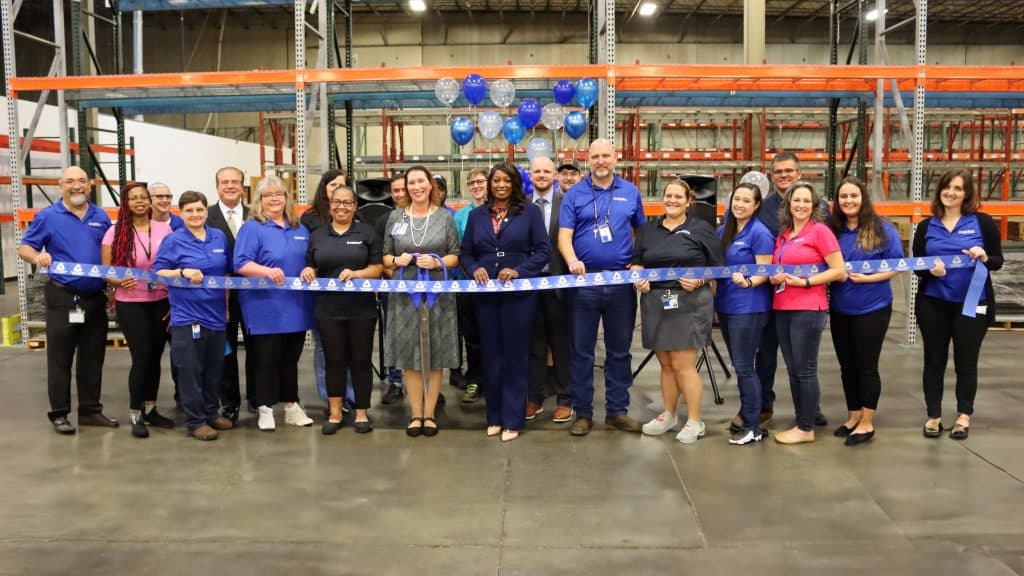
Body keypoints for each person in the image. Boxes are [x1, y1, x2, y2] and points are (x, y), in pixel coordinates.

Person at [18, 166, 117, 435]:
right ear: (60, 185)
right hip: (63, 297)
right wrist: (37, 257)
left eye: (82, 181)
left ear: (90, 185)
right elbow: (25, 247)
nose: (77, 186)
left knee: (93, 357)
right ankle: (60, 414)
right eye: (70, 181)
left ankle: (90, 411)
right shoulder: (48, 216)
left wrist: (113, 288)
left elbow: (110, 253)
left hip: (94, 297)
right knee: (60, 359)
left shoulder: (101, 216)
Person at [558, 139, 647, 436]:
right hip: (584, 284)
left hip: (620, 285)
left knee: (619, 350)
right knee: (582, 350)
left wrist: (636, 262)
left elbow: (641, 233)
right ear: (588, 160)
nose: (600, 161)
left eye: (605, 155)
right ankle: (583, 413)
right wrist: (571, 260)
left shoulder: (630, 192)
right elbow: (564, 236)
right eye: (594, 156)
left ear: (615, 158)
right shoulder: (575, 194)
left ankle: (617, 410)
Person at [461, 163, 550, 442]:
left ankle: (513, 419)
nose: (500, 185)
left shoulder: (530, 213)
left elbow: (543, 250)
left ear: (515, 184)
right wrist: (473, 267)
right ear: (489, 184)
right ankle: (495, 417)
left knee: (514, 356)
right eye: (495, 180)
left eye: (506, 180)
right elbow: (465, 252)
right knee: (491, 356)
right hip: (486, 296)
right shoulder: (477, 215)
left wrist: (519, 270)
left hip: (518, 296)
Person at [913, 170, 1003, 441]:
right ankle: (934, 415)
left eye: (957, 188)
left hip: (973, 304)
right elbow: (918, 265)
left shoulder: (982, 223)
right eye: (946, 187)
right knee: (934, 360)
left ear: (966, 194)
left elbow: (997, 261)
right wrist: (931, 271)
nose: (950, 192)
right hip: (934, 303)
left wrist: (984, 256)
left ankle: (964, 415)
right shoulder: (927, 227)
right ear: (939, 190)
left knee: (966, 362)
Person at [632, 180, 723, 444]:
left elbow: (718, 268)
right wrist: (638, 277)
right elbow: (637, 262)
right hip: (655, 302)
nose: (671, 200)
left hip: (690, 302)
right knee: (666, 365)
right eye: (668, 195)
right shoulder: (649, 230)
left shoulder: (701, 229)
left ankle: (695, 420)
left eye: (677, 196)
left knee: (684, 366)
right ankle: (669, 414)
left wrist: (700, 280)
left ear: (688, 201)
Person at [382, 165, 460, 438]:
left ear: (430, 186)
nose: (416, 187)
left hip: (437, 294)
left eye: (420, 182)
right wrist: (396, 260)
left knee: (435, 353)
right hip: (404, 294)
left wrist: (437, 262)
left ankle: (430, 413)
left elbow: (455, 255)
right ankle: (416, 414)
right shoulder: (395, 217)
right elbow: (385, 257)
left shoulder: (445, 218)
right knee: (408, 355)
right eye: (410, 183)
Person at [234, 175, 315, 431]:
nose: (274, 200)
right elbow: (241, 264)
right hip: (264, 307)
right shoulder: (252, 228)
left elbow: (310, 259)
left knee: (291, 360)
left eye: (279, 194)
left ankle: (291, 406)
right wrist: (265, 272)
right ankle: (265, 407)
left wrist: (310, 268)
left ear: (286, 198)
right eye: (268, 196)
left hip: (296, 306)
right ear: (259, 201)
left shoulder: (299, 228)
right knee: (266, 359)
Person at [826, 177, 904, 446]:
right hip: (840, 308)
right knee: (846, 366)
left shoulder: (882, 228)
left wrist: (868, 278)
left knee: (866, 366)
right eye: (843, 196)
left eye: (853, 196)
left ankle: (867, 422)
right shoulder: (833, 230)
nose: (848, 201)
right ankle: (854, 415)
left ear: (863, 198)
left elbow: (897, 265)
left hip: (873, 307)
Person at [301, 185, 383, 435]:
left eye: (348, 203)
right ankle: (335, 414)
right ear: (329, 205)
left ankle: (361, 413)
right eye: (337, 202)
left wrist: (357, 274)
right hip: (328, 309)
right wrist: (308, 271)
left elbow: (377, 268)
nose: (342, 207)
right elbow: (312, 265)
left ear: (355, 206)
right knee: (334, 361)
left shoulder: (367, 232)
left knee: (360, 361)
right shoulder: (318, 234)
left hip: (362, 310)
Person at [768, 182, 846, 444]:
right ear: (788, 204)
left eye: (806, 201)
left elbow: (838, 270)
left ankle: (805, 427)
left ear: (814, 206)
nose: (800, 205)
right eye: (796, 200)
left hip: (808, 308)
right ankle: (802, 418)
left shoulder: (820, 232)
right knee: (792, 369)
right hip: (783, 307)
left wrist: (806, 282)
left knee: (805, 370)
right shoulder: (785, 234)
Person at [756, 153, 830, 428]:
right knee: (767, 356)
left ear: (800, 173)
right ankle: (765, 406)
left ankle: (811, 411)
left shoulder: (818, 209)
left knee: (804, 361)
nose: (783, 175)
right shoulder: (762, 208)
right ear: (771, 175)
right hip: (769, 296)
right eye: (778, 171)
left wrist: (811, 281)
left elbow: (831, 252)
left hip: (805, 299)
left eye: (789, 171)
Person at [152, 191, 232, 441]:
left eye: (199, 210)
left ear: (206, 212)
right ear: (181, 212)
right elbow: (157, 274)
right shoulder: (174, 240)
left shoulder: (218, 236)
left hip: (216, 315)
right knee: (190, 370)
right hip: (188, 317)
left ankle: (211, 412)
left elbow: (226, 274)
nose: (195, 215)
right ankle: (195, 421)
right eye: (189, 211)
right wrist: (182, 272)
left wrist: (227, 307)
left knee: (213, 369)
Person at [101, 182, 176, 438]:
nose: (140, 202)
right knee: (142, 358)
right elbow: (106, 270)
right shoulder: (115, 232)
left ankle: (151, 409)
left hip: (161, 300)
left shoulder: (165, 229)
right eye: (134, 198)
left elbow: (174, 260)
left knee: (155, 358)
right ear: (126, 203)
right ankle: (136, 414)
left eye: (144, 197)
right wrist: (118, 281)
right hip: (131, 303)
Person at [716, 182, 775, 445]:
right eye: (736, 199)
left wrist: (749, 282)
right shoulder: (724, 231)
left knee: (743, 366)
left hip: (749, 307)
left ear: (756, 205)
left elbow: (766, 270)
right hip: (727, 306)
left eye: (746, 201)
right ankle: (747, 416)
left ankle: (753, 425)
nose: (739, 205)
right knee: (740, 366)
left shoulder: (759, 233)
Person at [527, 156, 573, 424]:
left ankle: (565, 399)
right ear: (530, 174)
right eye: (537, 171)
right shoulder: (521, 204)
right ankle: (534, 396)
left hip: (559, 285)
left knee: (561, 344)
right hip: (530, 285)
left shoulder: (566, 202)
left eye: (547, 171)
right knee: (533, 345)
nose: (542, 175)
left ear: (555, 175)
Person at [206, 166, 253, 422]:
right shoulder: (207, 215)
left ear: (243, 186)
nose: (231, 186)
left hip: (255, 295)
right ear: (217, 186)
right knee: (226, 351)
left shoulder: (256, 215)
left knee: (257, 348)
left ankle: (257, 399)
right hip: (219, 298)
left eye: (235, 181)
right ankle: (230, 403)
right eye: (225, 182)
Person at [301, 168, 348, 413]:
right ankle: (330, 399)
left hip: (349, 296)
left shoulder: (355, 217)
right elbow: (305, 257)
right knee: (324, 348)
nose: (337, 190)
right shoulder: (309, 220)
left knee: (348, 350)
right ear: (324, 188)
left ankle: (349, 397)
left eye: (342, 185)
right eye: (333, 185)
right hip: (320, 296)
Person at [452, 168, 488, 404]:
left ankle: (497, 379)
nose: (476, 185)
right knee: (473, 338)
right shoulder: (460, 216)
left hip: (497, 285)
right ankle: (475, 379)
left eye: (480, 181)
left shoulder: (498, 211)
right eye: (471, 182)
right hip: (467, 285)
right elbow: (457, 251)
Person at [379, 173, 408, 406]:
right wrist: (399, 279)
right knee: (394, 337)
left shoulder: (430, 217)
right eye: (395, 190)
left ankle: (429, 386)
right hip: (394, 289)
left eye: (402, 189)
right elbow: (381, 258)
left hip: (426, 289)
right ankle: (395, 382)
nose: (399, 194)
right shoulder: (385, 220)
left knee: (424, 338)